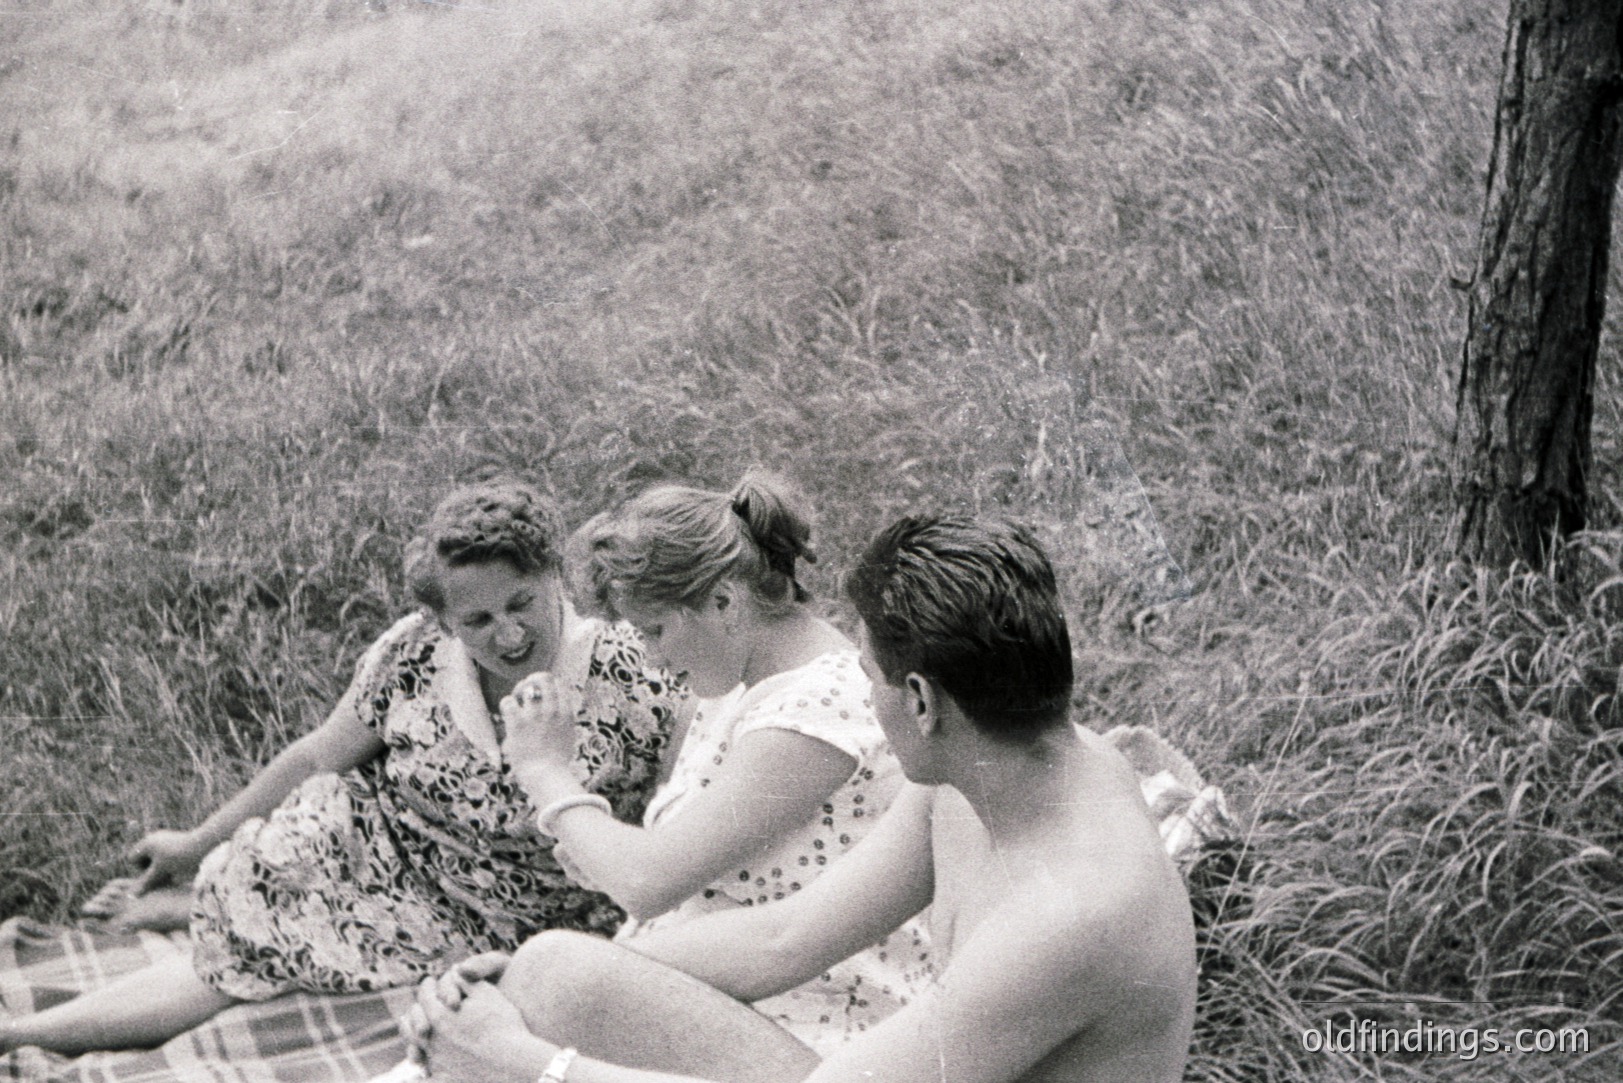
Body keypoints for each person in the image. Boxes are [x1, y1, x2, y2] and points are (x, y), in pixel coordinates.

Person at [407, 515, 1199, 1083]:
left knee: (513, 1059)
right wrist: (535, 975)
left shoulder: (1069, 918)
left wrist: (532, 1063)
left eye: (866, 671)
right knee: (552, 973)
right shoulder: (987, 773)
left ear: (920, 700)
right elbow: (784, 938)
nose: (855, 688)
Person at [0, 479, 683, 1056]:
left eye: (522, 603)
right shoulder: (414, 654)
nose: (506, 633)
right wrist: (193, 842)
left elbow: (675, 833)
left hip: (518, 915)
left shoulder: (636, 669)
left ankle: (172, 930)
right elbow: (317, 756)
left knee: (253, 952)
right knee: (234, 936)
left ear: (553, 577)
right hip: (371, 845)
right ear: (442, 620)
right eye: (476, 619)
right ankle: (26, 1028)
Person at [491, 469, 928, 1052]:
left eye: (656, 631)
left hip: (811, 1028)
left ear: (723, 599)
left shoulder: (822, 708)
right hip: (722, 994)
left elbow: (648, 881)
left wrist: (546, 771)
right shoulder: (739, 689)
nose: (653, 659)